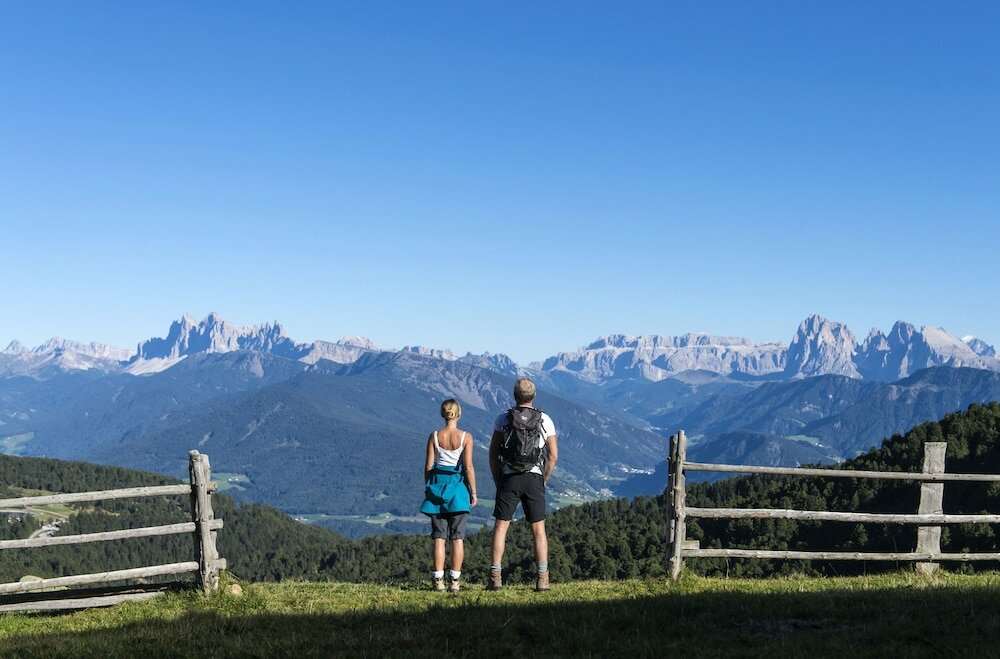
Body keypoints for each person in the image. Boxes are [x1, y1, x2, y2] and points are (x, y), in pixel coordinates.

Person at [488, 378, 558, 592]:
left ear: (514, 395)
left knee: (501, 527)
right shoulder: (544, 419)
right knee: (538, 529)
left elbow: (493, 453)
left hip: (509, 477)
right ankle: (542, 579)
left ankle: (495, 578)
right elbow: (553, 456)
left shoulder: (504, 418)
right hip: (534, 476)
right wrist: (543, 479)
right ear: (533, 396)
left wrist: (498, 478)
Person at [419, 399, 477, 592]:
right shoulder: (466, 437)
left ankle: (438, 581)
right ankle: (455, 581)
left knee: (438, 537)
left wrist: (429, 486)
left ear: (442, 414)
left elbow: (428, 466)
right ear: (458, 414)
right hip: (458, 491)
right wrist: (473, 492)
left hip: (437, 490)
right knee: (457, 537)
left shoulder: (434, 436)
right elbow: (468, 466)